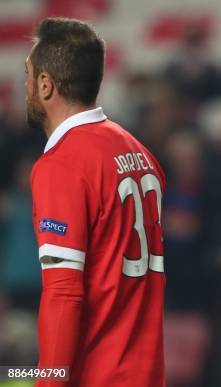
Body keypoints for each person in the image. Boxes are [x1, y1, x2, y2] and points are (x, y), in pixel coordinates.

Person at [26, 18, 166, 386]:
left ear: (45, 84)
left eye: (28, 75)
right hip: (147, 374)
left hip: (98, 375)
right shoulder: (140, 153)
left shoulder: (63, 164)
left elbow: (63, 291)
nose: (24, 87)